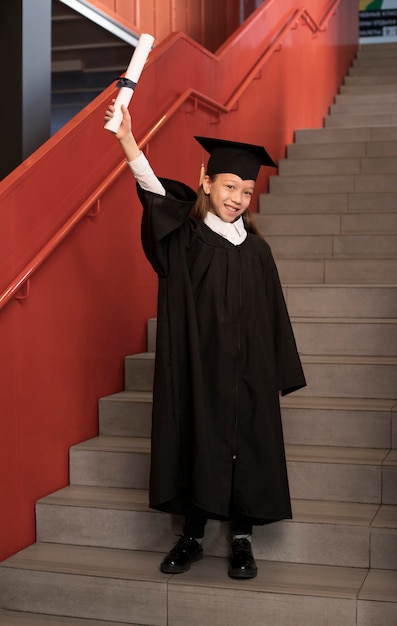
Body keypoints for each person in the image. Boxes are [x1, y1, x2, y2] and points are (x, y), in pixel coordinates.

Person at [104, 102, 306, 579]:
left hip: (251, 370)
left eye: (247, 191)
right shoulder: (188, 237)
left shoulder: (258, 250)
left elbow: (275, 312)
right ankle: (192, 535)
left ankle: (241, 539)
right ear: (207, 181)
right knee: (198, 438)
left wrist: (279, 369)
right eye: (230, 186)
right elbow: (153, 194)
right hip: (200, 364)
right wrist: (129, 143)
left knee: (249, 445)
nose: (237, 198)